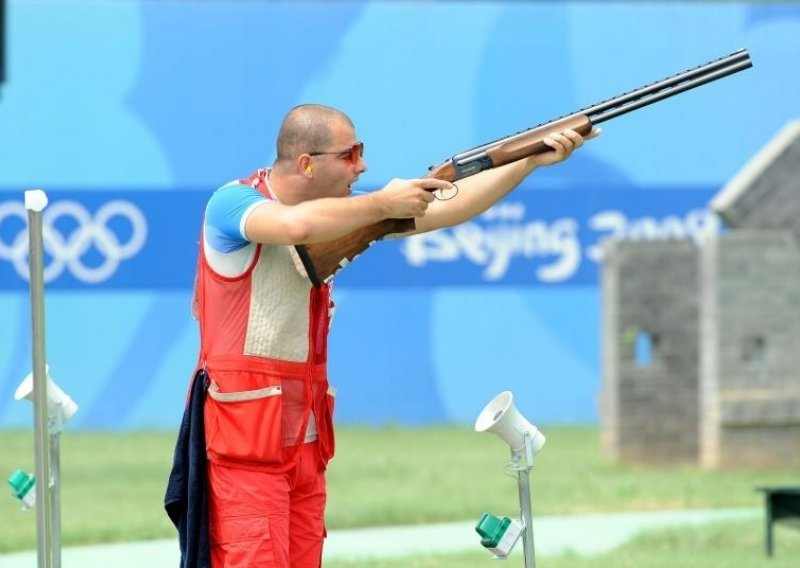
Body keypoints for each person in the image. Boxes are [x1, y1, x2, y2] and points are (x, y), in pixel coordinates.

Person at [181, 103, 596, 567]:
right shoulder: (232, 203)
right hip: (245, 450)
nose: (363, 166)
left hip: (304, 445)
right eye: (351, 154)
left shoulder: (342, 215)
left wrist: (527, 162)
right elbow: (294, 226)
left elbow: (452, 207)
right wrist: (383, 203)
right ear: (306, 163)